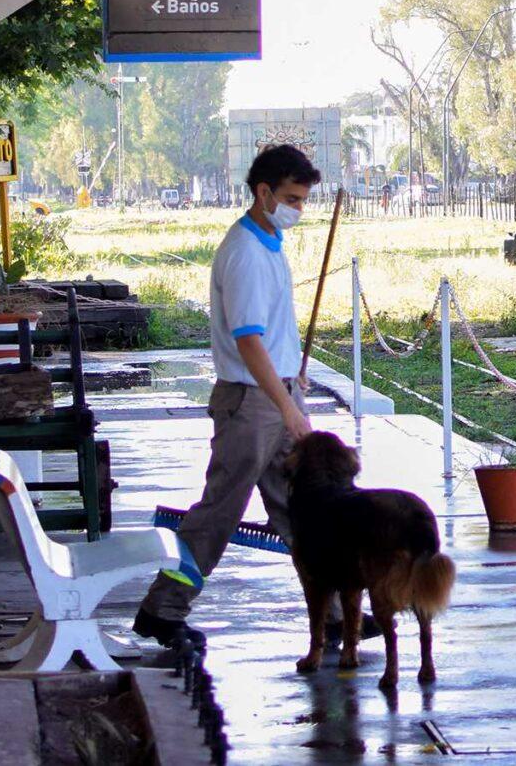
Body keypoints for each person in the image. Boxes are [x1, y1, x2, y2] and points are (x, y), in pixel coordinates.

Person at [131, 143, 320, 651]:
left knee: (306, 511)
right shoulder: (244, 253)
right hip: (253, 405)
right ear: (263, 193)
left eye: (303, 200)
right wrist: (287, 407)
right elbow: (248, 340)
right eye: (292, 199)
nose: (298, 209)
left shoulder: (268, 244)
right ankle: (161, 610)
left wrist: (291, 382)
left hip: (275, 394)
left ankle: (336, 613)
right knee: (218, 514)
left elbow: (270, 338)